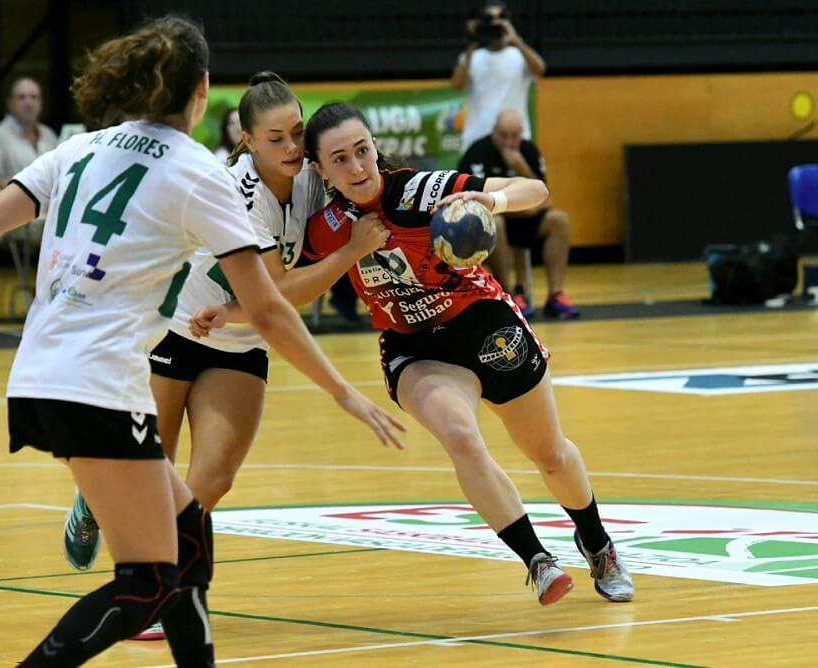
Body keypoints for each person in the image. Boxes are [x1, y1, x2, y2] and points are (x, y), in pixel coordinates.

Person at [0, 19, 404, 667]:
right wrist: (343, 392)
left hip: (40, 374)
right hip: (103, 385)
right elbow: (269, 309)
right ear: (202, 92)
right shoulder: (203, 173)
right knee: (144, 585)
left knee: (189, 534)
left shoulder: (81, 147)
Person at [196, 102, 633, 607]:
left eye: (363, 151)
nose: (357, 167)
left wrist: (488, 204)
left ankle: (597, 542)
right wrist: (233, 311)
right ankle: (537, 561)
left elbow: (537, 191)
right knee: (460, 436)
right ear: (319, 169)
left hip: (482, 325)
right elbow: (288, 292)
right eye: (340, 159)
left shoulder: (418, 191)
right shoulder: (327, 227)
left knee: (549, 452)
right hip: (415, 347)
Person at [62, 70, 391, 642]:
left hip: (239, 342)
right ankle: (94, 500)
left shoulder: (313, 178)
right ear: (247, 141)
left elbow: (366, 188)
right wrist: (350, 254)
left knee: (209, 481)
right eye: (275, 139)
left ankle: (157, 595)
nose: (291, 148)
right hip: (175, 330)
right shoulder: (234, 191)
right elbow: (278, 294)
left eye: (296, 134)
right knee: (144, 482)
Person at [459, 109, 579, 319]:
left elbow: (545, 198)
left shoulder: (529, 152)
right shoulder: (477, 153)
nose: (510, 142)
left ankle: (556, 295)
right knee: (496, 222)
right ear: (494, 131)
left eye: (515, 136)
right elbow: (474, 203)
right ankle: (507, 295)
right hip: (494, 222)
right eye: (503, 135)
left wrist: (521, 167)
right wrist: (524, 208)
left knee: (559, 220)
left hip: (525, 221)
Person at [451, 1, 545, 156]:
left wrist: (515, 40)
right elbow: (457, 85)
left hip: (514, 139)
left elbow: (540, 69)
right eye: (489, 21)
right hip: (477, 138)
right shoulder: (472, 57)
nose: (495, 25)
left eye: (500, 20)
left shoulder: (520, 56)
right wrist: (474, 40)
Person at [0, 77, 58, 188]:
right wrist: (25, 185)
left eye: (34, 97)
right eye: (22, 97)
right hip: (11, 204)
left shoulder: (49, 135)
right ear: (10, 103)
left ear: (41, 103)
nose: (29, 103)